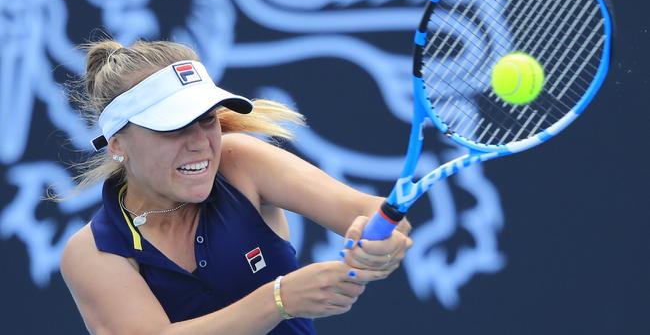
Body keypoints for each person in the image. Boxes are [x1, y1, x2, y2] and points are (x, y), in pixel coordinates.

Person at [60, 39, 412, 335]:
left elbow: (369, 211)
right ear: (117, 144)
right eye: (173, 126)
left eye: (207, 119)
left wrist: (382, 241)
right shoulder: (92, 253)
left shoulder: (239, 161)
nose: (200, 143)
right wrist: (279, 299)